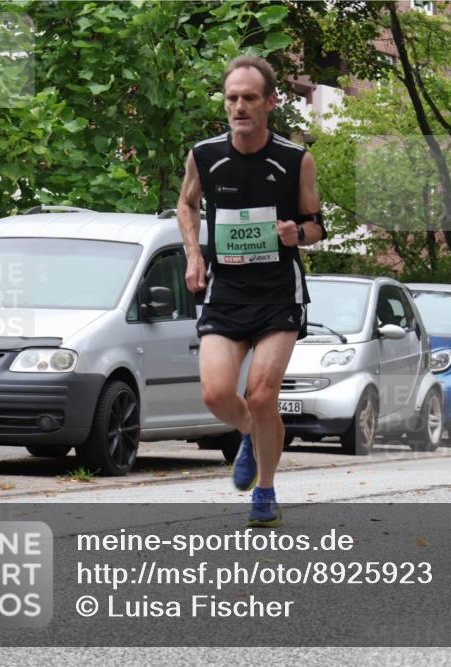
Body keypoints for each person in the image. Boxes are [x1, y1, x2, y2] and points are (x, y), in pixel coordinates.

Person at [176, 55, 325, 528]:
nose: (239, 106)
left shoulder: (294, 159)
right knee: (217, 394)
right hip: (228, 291)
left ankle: (265, 489)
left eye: (249, 98)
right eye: (232, 98)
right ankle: (250, 434)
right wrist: (194, 257)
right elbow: (186, 203)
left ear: (270, 102)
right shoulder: (205, 155)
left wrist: (295, 236)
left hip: (279, 292)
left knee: (261, 396)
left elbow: (317, 225)